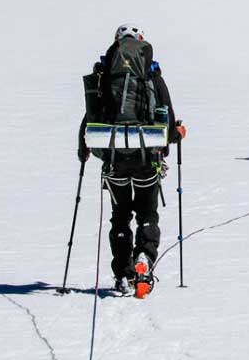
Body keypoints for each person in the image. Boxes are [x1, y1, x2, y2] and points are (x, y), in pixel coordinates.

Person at [79, 24, 185, 297]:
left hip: (114, 158)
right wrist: (176, 135)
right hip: (146, 157)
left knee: (120, 215)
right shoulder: (151, 73)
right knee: (147, 213)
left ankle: (123, 273)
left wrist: (84, 148)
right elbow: (168, 118)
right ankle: (144, 260)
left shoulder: (106, 73)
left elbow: (91, 113)